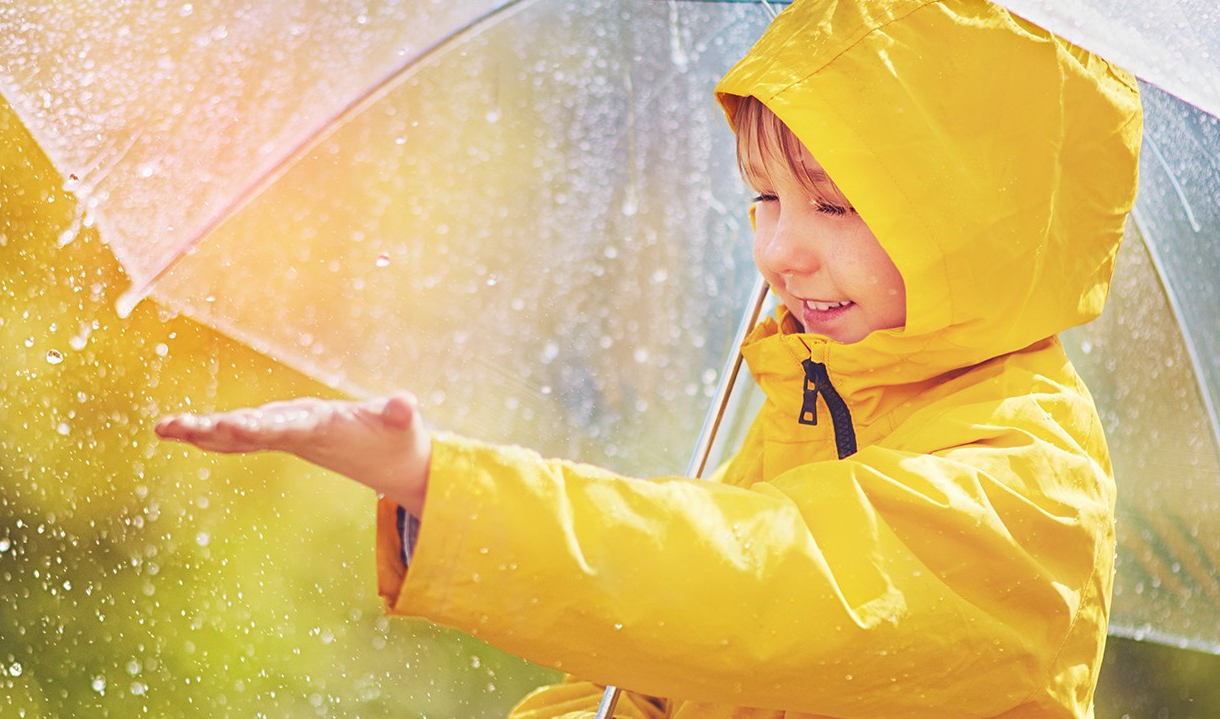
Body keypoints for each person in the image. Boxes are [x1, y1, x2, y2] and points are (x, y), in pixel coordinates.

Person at [155, 0, 1142, 715]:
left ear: (983, 231)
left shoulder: (1025, 485)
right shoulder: (819, 400)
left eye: (836, 204)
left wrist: (442, 487)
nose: (781, 248)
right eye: (765, 197)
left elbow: (744, 587)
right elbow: (670, 673)